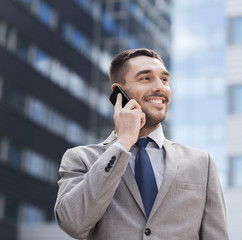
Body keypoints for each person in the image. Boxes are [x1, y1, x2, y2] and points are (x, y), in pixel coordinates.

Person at [54, 48, 229, 240]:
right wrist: (122, 144)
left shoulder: (202, 163)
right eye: (145, 78)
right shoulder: (81, 159)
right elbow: (73, 223)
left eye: (164, 79)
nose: (160, 87)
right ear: (118, 92)